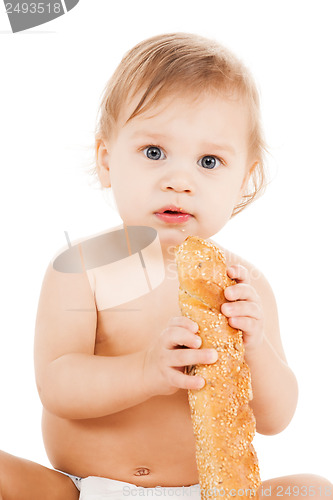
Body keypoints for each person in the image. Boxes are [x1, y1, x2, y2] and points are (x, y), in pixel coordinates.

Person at [0, 32, 331, 500]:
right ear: (107, 161)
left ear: (245, 181)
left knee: (316, 490)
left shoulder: (245, 285)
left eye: (209, 161)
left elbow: (276, 419)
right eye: (154, 153)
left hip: (205, 492)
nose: (179, 181)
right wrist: (144, 372)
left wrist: (256, 348)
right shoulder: (81, 267)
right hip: (78, 489)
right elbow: (57, 385)